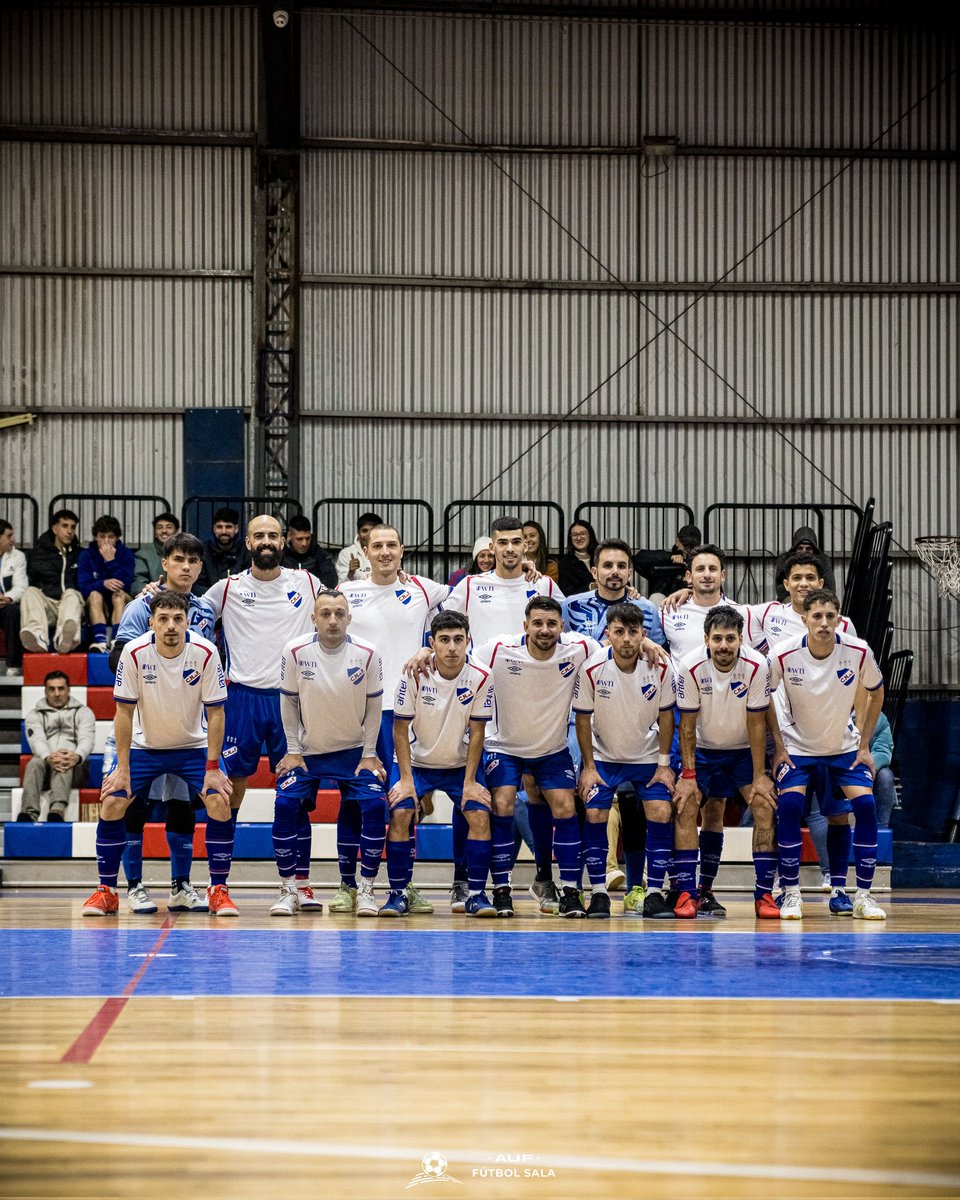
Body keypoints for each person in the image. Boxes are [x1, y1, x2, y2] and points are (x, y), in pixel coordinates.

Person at [81, 591, 237, 916]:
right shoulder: (134, 653)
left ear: (187, 622)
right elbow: (123, 713)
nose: (170, 626)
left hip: (192, 746)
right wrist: (122, 768)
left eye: (178, 619)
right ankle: (108, 890)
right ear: (151, 622)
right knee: (113, 800)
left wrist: (212, 767)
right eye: (163, 619)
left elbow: (217, 714)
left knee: (220, 801)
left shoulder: (206, 652)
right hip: (144, 746)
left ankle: (218, 890)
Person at [202, 515, 323, 911]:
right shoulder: (227, 588)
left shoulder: (305, 582)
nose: (267, 541)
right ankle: (218, 885)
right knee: (228, 793)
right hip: (242, 700)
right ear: (248, 542)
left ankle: (298, 884)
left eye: (273, 535)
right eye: (260, 536)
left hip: (293, 700)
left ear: (284, 541)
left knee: (296, 796)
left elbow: (346, 603)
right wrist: (152, 591)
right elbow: (183, 606)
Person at [443, 516, 564, 910]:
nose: (510, 548)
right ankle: (464, 880)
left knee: (539, 793)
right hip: (482, 704)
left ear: (526, 546)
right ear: (490, 548)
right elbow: (445, 628)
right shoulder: (470, 586)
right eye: (502, 542)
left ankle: (544, 878)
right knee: (476, 791)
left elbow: (566, 630)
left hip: (538, 703)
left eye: (517, 542)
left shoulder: (543, 585)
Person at [336, 524, 449, 914]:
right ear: (364, 551)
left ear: (402, 550)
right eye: (377, 546)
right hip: (358, 709)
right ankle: (347, 886)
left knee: (406, 801)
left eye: (391, 546)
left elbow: (475, 596)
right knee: (357, 800)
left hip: (406, 712)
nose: (385, 552)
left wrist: (530, 574)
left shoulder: (423, 588)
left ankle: (403, 885)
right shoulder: (346, 594)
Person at [472, 596, 602, 917]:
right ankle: (501, 889)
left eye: (552, 624)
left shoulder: (581, 649)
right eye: (538, 623)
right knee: (502, 803)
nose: (545, 630)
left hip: (551, 748)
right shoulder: (497, 649)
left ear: (562, 627)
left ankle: (570, 889)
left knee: (566, 806)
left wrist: (650, 647)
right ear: (525, 625)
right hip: (504, 746)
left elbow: (614, 653)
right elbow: (463, 664)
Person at [109, 533, 216, 914]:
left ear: (200, 567)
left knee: (181, 806)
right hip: (143, 722)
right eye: (178, 559)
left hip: (187, 724)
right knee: (132, 803)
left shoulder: (204, 610)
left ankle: (181, 886)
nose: (185, 567)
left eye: (193, 561)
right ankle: (134, 886)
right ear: (165, 563)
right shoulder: (142, 606)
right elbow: (116, 660)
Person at [768, 588, 887, 921]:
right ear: (804, 618)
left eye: (829, 616)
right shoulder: (781, 654)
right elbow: (760, 700)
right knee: (790, 806)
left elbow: (876, 692)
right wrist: (777, 746)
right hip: (797, 749)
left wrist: (864, 744)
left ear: (839, 619)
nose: (823, 623)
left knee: (865, 805)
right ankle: (790, 894)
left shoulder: (858, 651)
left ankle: (857, 894)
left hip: (843, 748)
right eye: (816, 616)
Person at [562, 537, 667, 902]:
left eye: (621, 566)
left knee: (635, 802)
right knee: (586, 801)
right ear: (594, 571)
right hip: (583, 717)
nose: (615, 572)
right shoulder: (570, 606)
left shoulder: (647, 611)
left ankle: (638, 886)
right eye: (607, 565)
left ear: (629, 571)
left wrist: (652, 644)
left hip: (631, 718)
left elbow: (657, 659)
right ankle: (581, 884)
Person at [271, 589, 388, 917]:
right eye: (325, 613)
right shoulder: (294, 650)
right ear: (314, 618)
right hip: (308, 753)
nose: (333, 620)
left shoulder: (367, 653)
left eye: (339, 613)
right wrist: (293, 750)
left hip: (354, 752)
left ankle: (364, 889)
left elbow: (375, 706)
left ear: (350, 618)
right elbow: (288, 702)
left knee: (375, 807)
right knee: (284, 804)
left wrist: (369, 753)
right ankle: (289, 889)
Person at [673, 605, 779, 919]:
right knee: (690, 805)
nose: (723, 645)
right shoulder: (690, 666)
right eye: (717, 638)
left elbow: (757, 723)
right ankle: (688, 893)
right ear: (706, 639)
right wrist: (689, 774)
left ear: (741, 639)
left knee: (763, 805)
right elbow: (687, 725)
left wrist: (760, 775)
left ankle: (764, 895)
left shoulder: (757, 665)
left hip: (743, 751)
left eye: (730, 638)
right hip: (703, 750)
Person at [573, 603, 676, 919]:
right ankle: (600, 893)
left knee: (660, 811)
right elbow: (582, 718)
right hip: (604, 756)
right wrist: (588, 767)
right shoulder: (592, 668)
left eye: (634, 632)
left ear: (644, 634)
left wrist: (663, 763)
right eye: (619, 632)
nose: (627, 639)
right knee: (594, 813)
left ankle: (655, 894)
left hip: (647, 756)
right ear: (608, 634)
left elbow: (667, 715)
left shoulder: (661, 666)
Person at [389, 611, 495, 916]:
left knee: (479, 817)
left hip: (459, 764)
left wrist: (470, 782)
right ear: (432, 643)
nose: (451, 647)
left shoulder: (481, 675)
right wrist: (407, 781)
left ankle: (475, 893)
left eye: (458, 640)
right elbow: (399, 729)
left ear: (468, 641)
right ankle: (398, 893)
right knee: (401, 811)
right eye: (444, 640)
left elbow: (478, 732)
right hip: (417, 762)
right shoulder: (413, 672)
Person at [19, 670, 95, 823]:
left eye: (61, 688)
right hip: (46, 767)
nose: (57, 693)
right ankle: (29, 813)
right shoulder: (34, 715)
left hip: (76, 768)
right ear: (45, 691)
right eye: (52, 689)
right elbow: (37, 741)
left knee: (65, 758)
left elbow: (87, 739)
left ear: (68, 690)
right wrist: (49, 757)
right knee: (34, 762)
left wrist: (76, 756)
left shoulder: (84, 712)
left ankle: (57, 810)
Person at [20, 509, 83, 654]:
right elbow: (32, 579)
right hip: (47, 606)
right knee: (30, 592)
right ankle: (37, 637)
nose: (70, 531)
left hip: (70, 607)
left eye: (73, 527)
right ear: (55, 529)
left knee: (71, 593)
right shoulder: (38, 553)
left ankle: (65, 638)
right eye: (65, 526)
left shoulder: (79, 554)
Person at [77, 515, 136, 652]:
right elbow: (83, 587)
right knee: (95, 594)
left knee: (118, 594)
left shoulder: (126, 554)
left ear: (117, 538)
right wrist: (103, 584)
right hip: (96, 603)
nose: (106, 541)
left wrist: (110, 561)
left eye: (110, 537)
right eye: (102, 536)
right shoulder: (86, 555)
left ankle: (118, 640)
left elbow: (127, 585)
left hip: (121, 601)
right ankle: (100, 642)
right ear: (95, 537)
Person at [632, 523, 702, 603]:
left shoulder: (702, 561)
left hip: (694, 598)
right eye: (686, 546)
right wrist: (669, 557)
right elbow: (638, 558)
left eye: (693, 546)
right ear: (677, 542)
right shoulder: (666, 558)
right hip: (666, 596)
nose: (689, 550)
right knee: (656, 598)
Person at [772, 525, 837, 602]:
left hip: (817, 598)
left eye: (808, 549)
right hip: (791, 597)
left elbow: (829, 587)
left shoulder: (823, 560)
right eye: (800, 548)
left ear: (814, 550)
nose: (804, 551)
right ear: (795, 549)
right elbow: (780, 587)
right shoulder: (784, 559)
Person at [195, 507, 250, 595]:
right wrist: (219, 596)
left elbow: (250, 583)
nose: (224, 531)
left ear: (236, 529)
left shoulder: (246, 550)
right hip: (210, 602)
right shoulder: (203, 551)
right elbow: (197, 584)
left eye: (228, 527)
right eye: (219, 527)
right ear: (214, 529)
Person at [0, 519, 28, 675]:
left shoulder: (18, 556)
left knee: (13, 612)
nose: (13, 540)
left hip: (5, 605)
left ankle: (13, 666)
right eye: (9, 535)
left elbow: (21, 586)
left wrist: (7, 598)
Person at [281, 515, 337, 587]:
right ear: (289, 536)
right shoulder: (280, 554)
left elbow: (331, 581)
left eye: (307, 538)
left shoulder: (319, 554)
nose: (304, 543)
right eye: (299, 539)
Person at [132, 512, 180, 595]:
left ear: (176, 531)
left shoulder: (184, 553)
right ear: (155, 532)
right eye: (159, 527)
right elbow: (138, 583)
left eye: (169, 527)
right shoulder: (143, 554)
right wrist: (154, 592)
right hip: (152, 597)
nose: (164, 531)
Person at [335, 511, 383, 583]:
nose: (368, 535)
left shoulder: (387, 552)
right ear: (358, 532)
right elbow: (341, 585)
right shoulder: (346, 553)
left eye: (373, 530)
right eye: (364, 531)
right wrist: (351, 573)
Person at [556, 520, 598, 597]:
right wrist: (590, 587)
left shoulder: (601, 556)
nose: (578, 538)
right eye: (574, 535)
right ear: (570, 538)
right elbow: (566, 593)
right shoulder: (565, 563)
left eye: (582, 534)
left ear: (590, 535)